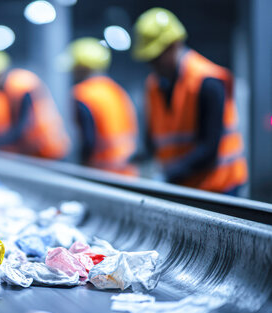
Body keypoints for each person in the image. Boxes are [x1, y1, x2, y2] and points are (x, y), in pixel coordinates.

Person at [133, 7, 248, 195]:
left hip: (219, 188)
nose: (152, 65)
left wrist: (166, 175)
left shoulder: (207, 82)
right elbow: (155, 140)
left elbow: (208, 149)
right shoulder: (154, 86)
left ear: (175, 45)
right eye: (148, 59)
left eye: (156, 57)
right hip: (183, 188)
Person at [0, 50, 70, 159]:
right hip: (31, 151)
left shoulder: (22, 85)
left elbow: (24, 125)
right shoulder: (6, 91)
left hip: (47, 149)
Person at [69, 37, 138, 176]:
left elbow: (88, 141)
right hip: (127, 172)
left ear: (82, 67)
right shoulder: (115, 90)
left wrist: (81, 170)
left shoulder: (83, 94)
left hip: (101, 174)